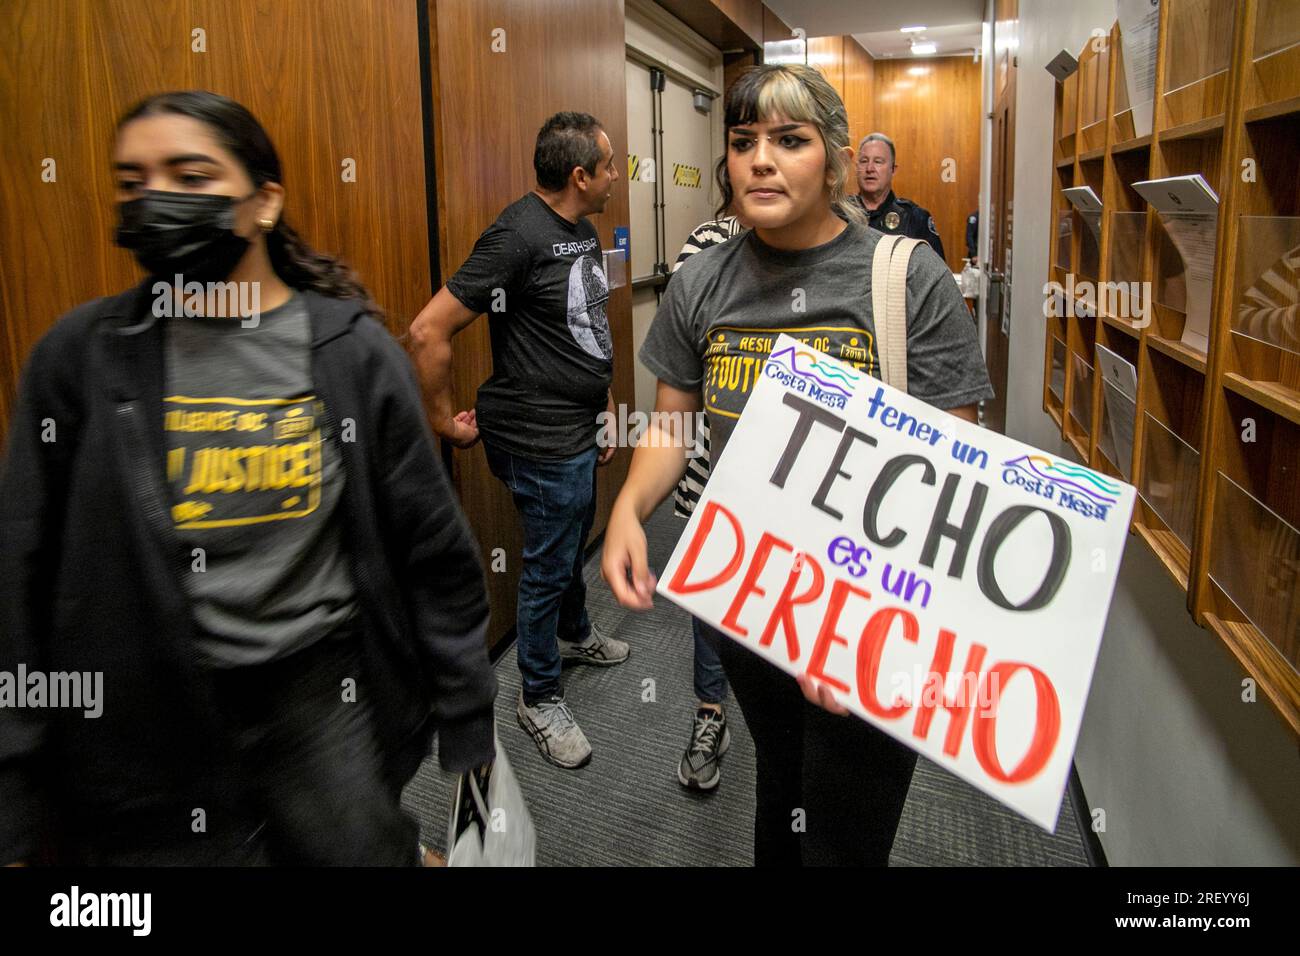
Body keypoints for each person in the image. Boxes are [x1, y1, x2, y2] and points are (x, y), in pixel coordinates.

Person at [0, 91, 497, 866]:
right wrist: (17, 777)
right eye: (133, 183)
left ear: (265, 201)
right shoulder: (79, 358)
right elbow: (20, 570)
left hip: (315, 696)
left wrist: (467, 712)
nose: (157, 201)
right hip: (142, 709)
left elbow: (432, 549)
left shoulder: (352, 354)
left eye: (190, 176)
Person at [601, 64, 993, 865]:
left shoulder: (905, 276)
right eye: (743, 142)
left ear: (837, 161)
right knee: (782, 789)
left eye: (790, 140)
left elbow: (962, 471)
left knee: (847, 828)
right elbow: (670, 432)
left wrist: (863, 630)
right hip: (755, 598)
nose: (761, 160)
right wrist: (625, 511)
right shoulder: (702, 279)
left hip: (878, 608)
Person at [409, 112, 628, 771]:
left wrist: (606, 401)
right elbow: (427, 331)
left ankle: (574, 632)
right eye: (610, 165)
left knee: (566, 544)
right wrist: (444, 418)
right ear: (581, 175)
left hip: (577, 424)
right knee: (548, 564)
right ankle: (538, 696)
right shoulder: (516, 235)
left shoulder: (581, 229)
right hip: (537, 436)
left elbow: (586, 325)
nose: (618, 176)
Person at [667, 215, 744, 792]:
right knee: (713, 605)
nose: (764, 160)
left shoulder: (860, 250)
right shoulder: (708, 243)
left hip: (813, 503)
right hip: (714, 477)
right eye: (745, 142)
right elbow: (683, 349)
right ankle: (710, 713)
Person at [852, 132, 945, 262]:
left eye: (878, 162)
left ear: (893, 170)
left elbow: (936, 274)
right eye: (864, 161)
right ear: (856, 167)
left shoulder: (915, 218)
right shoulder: (839, 214)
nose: (869, 168)